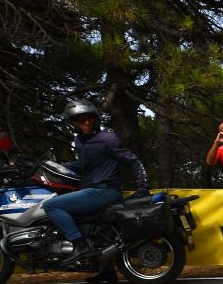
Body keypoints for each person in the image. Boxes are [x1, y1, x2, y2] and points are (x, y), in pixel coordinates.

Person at [43, 99, 149, 270]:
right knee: (96, 233)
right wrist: (58, 165)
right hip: (91, 191)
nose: (87, 123)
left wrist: (142, 186)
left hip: (104, 191)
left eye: (90, 119)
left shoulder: (108, 139)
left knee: (51, 206)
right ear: (73, 123)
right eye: (82, 120)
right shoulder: (80, 142)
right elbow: (83, 166)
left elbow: (133, 160)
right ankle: (106, 273)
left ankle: (80, 246)